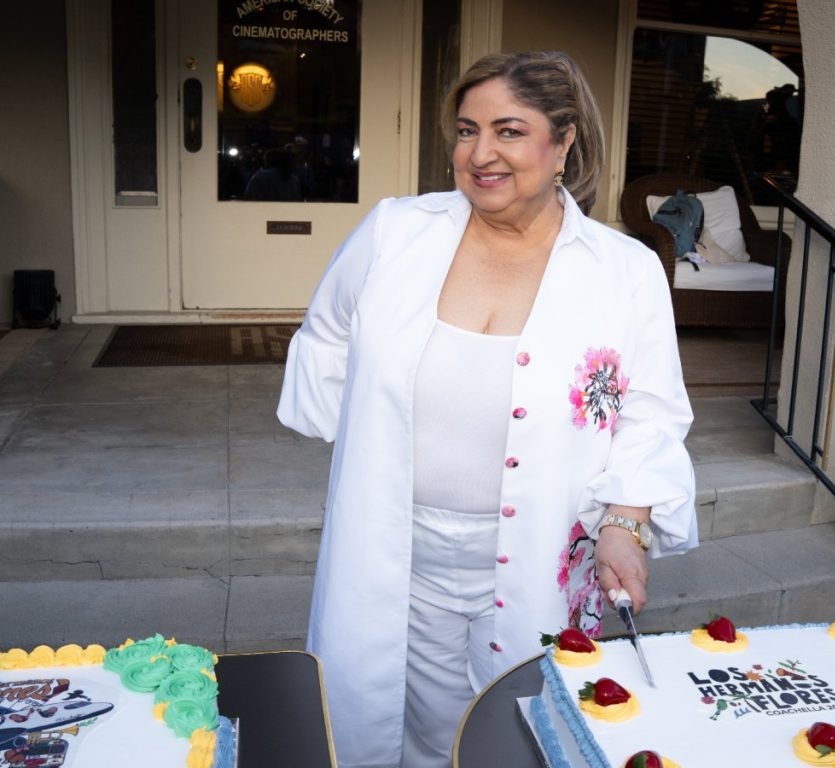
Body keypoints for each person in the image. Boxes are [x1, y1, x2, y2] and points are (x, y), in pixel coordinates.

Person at [277, 51, 697, 768]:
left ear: (563, 141)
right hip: (397, 551)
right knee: (413, 735)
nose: (480, 154)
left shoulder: (623, 272)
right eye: (467, 131)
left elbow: (651, 413)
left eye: (508, 130)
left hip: (543, 553)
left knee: (528, 733)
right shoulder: (393, 234)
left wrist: (626, 524)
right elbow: (326, 340)